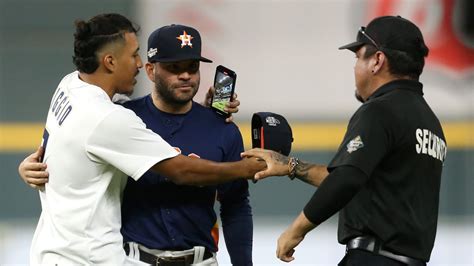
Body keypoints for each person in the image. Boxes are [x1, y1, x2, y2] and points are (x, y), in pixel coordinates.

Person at [21, 13, 265, 265]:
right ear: (149, 69)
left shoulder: (71, 85)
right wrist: (249, 167)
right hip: (93, 257)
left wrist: (30, 163)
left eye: (192, 66)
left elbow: (236, 207)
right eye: (173, 67)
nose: (138, 62)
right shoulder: (117, 119)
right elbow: (182, 171)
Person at [243, 15, 446, 266]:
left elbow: (347, 179)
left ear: (377, 61)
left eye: (358, 56)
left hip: (373, 258)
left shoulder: (380, 110)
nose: (355, 66)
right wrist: (290, 166)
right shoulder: (429, 121)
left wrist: (296, 230)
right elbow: (356, 179)